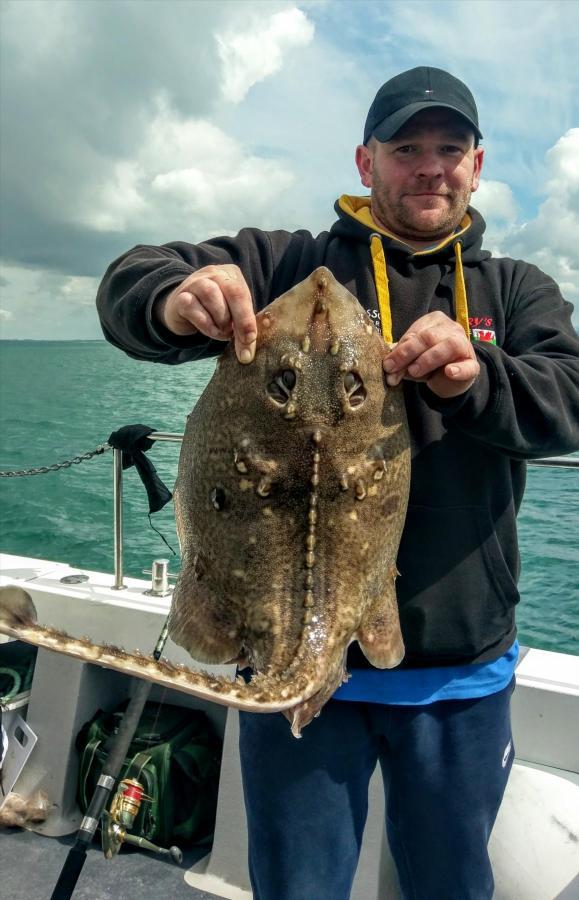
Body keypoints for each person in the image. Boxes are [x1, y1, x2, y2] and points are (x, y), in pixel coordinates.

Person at [97, 66, 579, 900]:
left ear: (476, 162)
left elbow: (569, 399)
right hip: (277, 640)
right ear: (365, 162)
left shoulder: (512, 288)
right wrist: (174, 299)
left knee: (449, 883)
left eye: (448, 148)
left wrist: (478, 379)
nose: (429, 167)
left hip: (454, 669)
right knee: (297, 884)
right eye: (405, 148)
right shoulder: (286, 264)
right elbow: (128, 279)